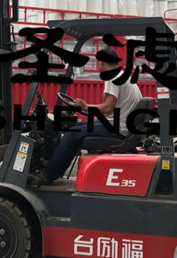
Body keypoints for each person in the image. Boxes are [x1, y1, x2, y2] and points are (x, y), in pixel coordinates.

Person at [33, 46, 143, 185]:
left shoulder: (112, 78)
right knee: (77, 126)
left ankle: (48, 174)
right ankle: (55, 165)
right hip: (121, 126)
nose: (96, 65)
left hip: (118, 129)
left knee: (72, 133)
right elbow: (112, 109)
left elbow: (107, 108)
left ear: (101, 62)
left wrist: (86, 106)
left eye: (97, 62)